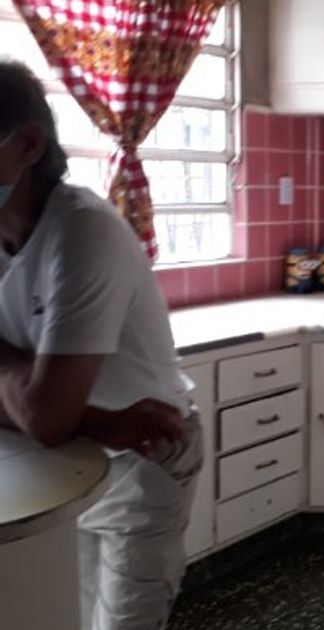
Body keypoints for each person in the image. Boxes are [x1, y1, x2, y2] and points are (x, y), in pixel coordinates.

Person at [0, 59, 202, 630]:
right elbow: (47, 418)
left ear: (28, 145)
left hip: (143, 456)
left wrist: (55, 410)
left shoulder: (81, 230)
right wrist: (86, 419)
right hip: (62, 456)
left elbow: (46, 416)